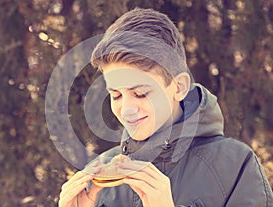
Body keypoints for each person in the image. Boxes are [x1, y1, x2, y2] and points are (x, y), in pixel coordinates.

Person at [59, 8, 273, 207]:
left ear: (178, 87)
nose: (126, 109)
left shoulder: (235, 166)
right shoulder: (99, 179)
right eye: (116, 95)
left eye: (140, 93)